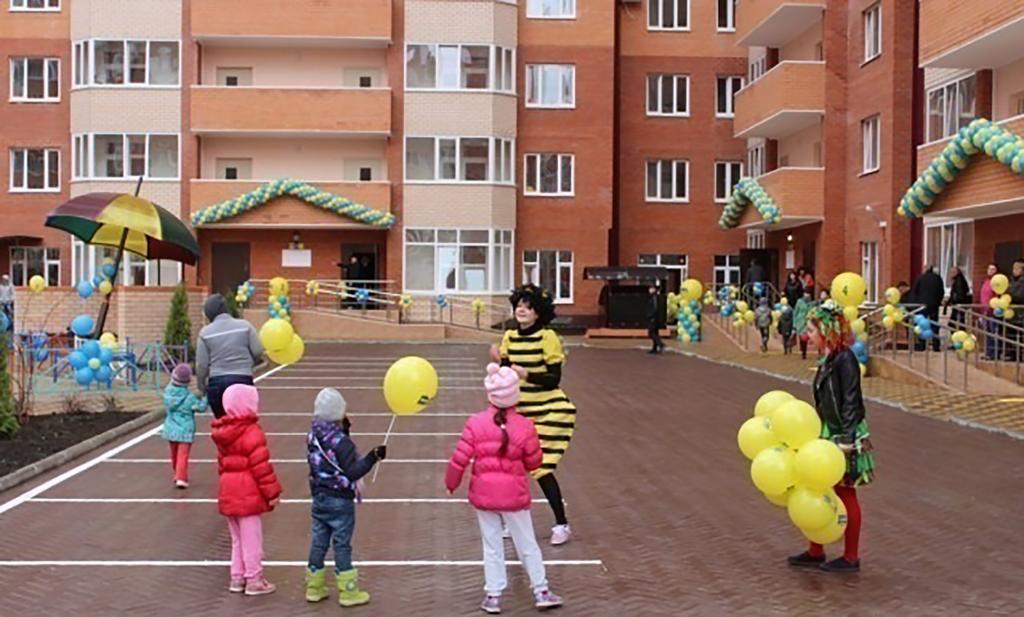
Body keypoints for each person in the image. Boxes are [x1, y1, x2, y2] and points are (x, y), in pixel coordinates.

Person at [445, 363, 564, 614]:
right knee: (527, 544)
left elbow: (459, 458)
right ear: (515, 395)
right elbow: (534, 462)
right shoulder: (525, 426)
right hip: (514, 496)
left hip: (484, 495)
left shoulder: (475, 423)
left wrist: (451, 483)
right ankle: (541, 590)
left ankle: (493, 594)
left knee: (491, 545)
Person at [787, 300, 875, 573]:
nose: (808, 334)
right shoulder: (827, 357)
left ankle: (851, 557)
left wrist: (847, 439)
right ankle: (816, 550)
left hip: (844, 433)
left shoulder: (845, 358)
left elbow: (851, 400)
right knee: (818, 486)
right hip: (828, 431)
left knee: (846, 493)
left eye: (812, 329)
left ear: (826, 329)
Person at [490, 284, 575, 546]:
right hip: (520, 411)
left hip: (549, 410)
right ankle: (513, 521)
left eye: (527, 306)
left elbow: (553, 379)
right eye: (518, 306)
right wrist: (497, 365)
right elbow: (506, 375)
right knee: (511, 467)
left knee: (541, 468)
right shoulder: (511, 337)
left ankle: (562, 524)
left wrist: (526, 374)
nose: (521, 310)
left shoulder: (547, 337)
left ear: (538, 312)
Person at [304, 388, 387, 607]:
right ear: (340, 413)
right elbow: (352, 471)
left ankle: (314, 586)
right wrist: (373, 457)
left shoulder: (312, 435)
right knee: (341, 544)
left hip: (319, 496)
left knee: (319, 541)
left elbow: (329, 459)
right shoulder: (342, 443)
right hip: (340, 500)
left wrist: (344, 431)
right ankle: (348, 591)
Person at [210, 384, 282, 595]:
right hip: (248, 494)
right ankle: (254, 579)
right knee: (252, 539)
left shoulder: (222, 433)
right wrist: (273, 493)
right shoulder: (251, 432)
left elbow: (222, 464)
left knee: (237, 539)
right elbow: (262, 467)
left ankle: (237, 577)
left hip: (228, 491)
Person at [197, 294, 265, 418]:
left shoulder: (205, 333)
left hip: (217, 381)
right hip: (242, 379)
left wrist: (201, 386)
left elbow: (202, 365)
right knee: (244, 421)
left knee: (222, 424)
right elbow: (258, 351)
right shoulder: (245, 326)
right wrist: (250, 364)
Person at [161, 363, 207, 489]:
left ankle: (176, 473)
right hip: (185, 430)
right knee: (183, 455)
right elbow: (201, 408)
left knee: (174, 453)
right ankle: (180, 477)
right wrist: (205, 397)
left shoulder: (167, 393)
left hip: (170, 428)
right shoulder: (189, 397)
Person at [911, 266, 944, 352]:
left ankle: (922, 344)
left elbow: (915, 291)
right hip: (934, 305)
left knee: (922, 324)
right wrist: (938, 301)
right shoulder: (937, 278)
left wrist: (917, 303)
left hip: (922, 305)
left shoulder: (920, 278)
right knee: (934, 324)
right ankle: (936, 345)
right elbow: (941, 291)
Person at [978, 264, 999, 360]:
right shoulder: (986, 281)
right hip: (984, 311)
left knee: (992, 332)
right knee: (987, 333)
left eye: (993, 269)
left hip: (992, 311)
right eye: (989, 269)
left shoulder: (997, 282)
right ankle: (988, 352)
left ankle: (994, 353)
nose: (991, 271)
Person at [946, 265, 972, 331]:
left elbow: (959, 294)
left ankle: (959, 337)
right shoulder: (958, 280)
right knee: (958, 323)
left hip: (958, 305)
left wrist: (953, 301)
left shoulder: (959, 281)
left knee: (955, 323)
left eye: (953, 272)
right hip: (958, 305)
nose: (951, 274)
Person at [1009, 258, 1024, 361]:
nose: (1014, 270)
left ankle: (1019, 356)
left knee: (1018, 336)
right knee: (1011, 335)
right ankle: (1013, 355)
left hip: (1020, 314)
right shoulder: (1012, 281)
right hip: (1012, 314)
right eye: (1013, 268)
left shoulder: (1022, 282)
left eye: (1016, 268)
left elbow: (1020, 296)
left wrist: (1008, 295)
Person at [794, 290, 813, 360]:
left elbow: (811, 311)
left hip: (807, 322)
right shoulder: (799, 301)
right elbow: (796, 311)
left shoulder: (810, 303)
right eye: (805, 294)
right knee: (801, 337)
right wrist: (795, 322)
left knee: (805, 337)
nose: (806, 295)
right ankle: (802, 348)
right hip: (800, 322)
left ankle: (804, 352)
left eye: (808, 294)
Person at [646, 284, 664, 354]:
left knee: (651, 333)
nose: (649, 290)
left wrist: (650, 316)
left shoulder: (654, 298)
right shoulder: (654, 297)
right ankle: (654, 348)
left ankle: (660, 344)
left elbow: (655, 308)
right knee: (655, 332)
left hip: (654, 318)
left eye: (651, 288)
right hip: (656, 318)